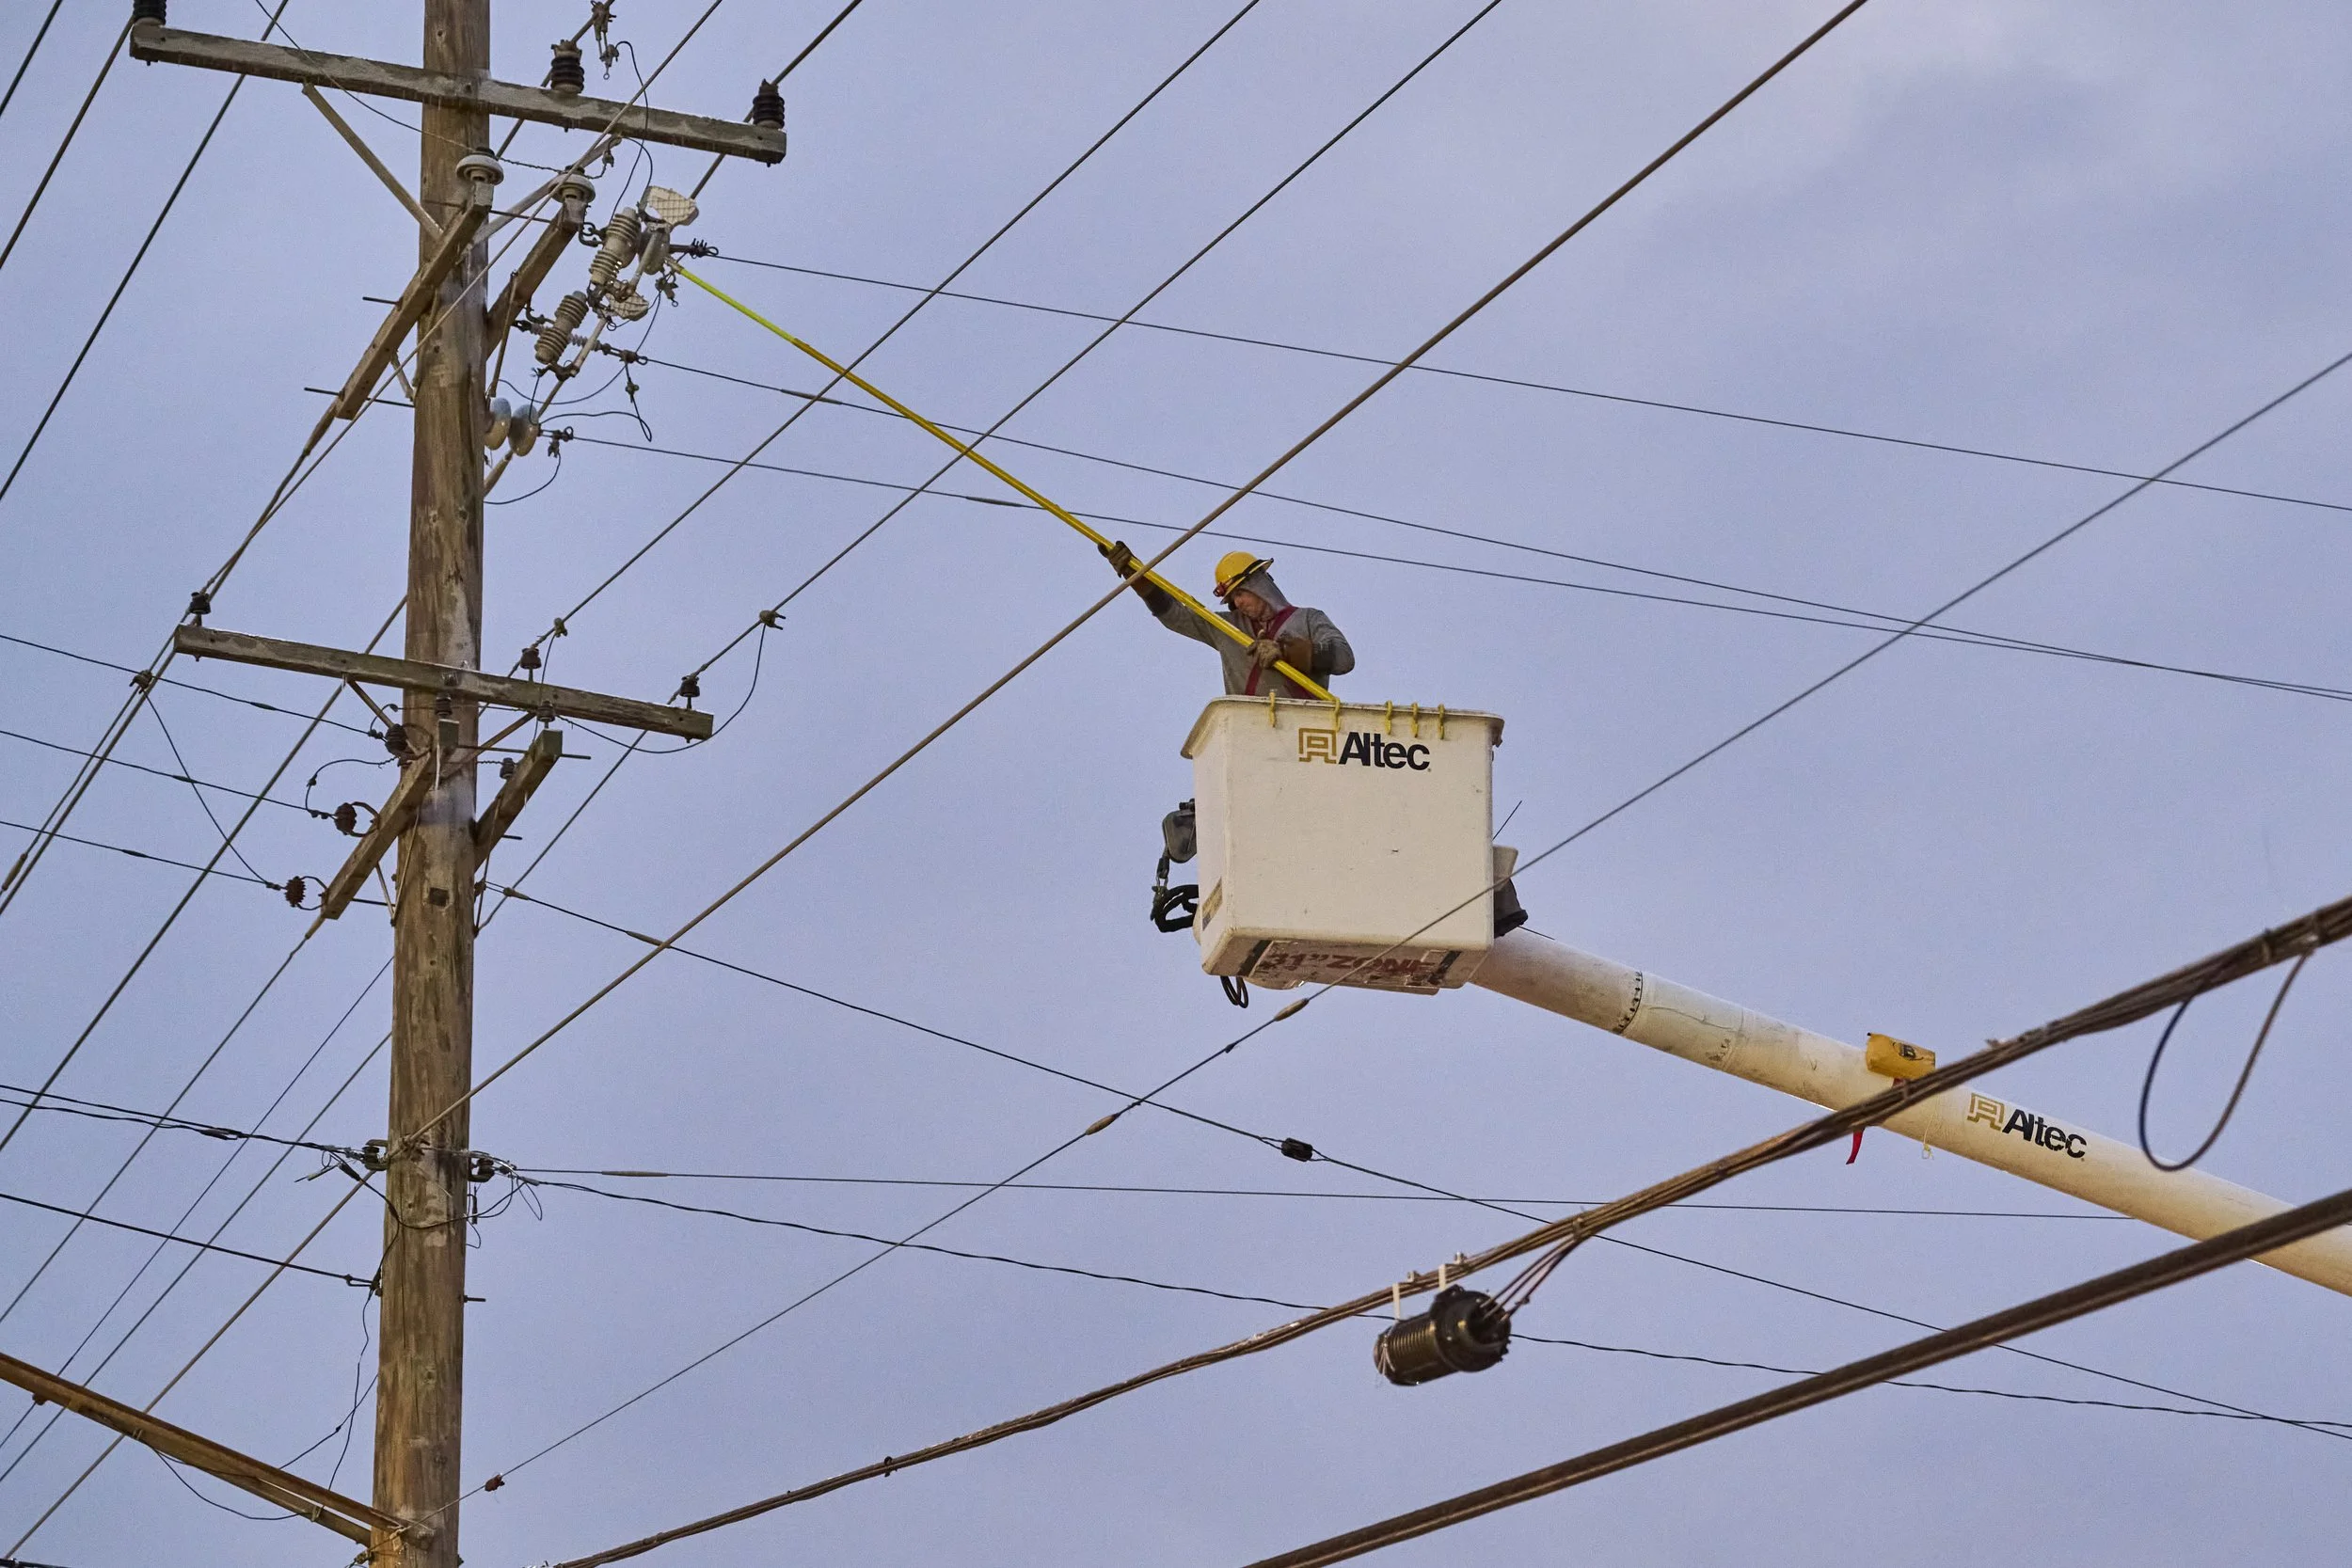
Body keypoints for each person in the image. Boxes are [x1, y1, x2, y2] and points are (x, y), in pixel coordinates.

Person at [1101, 544, 1354, 699]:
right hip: (1248, 731)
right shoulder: (1229, 628)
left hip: (1301, 729)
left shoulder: (1308, 618)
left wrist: (1287, 652)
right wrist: (1137, 577)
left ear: (1260, 585)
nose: (1238, 604)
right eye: (1232, 600)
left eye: (1240, 594)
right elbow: (1175, 616)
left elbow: (1343, 658)